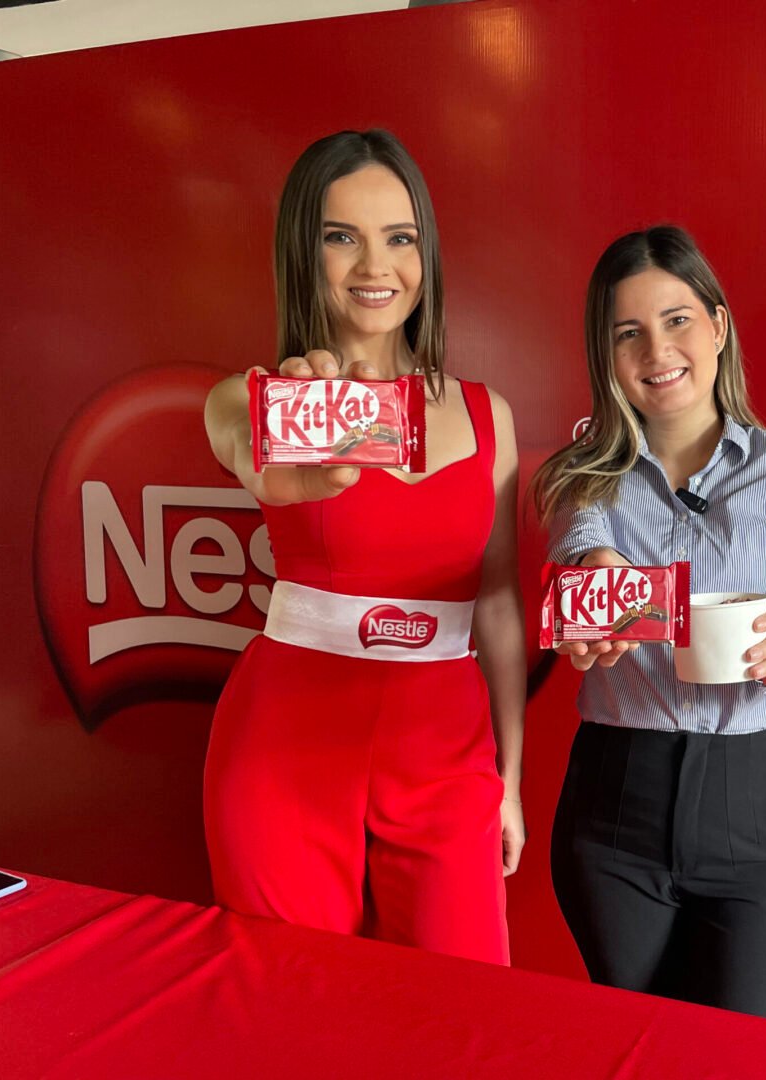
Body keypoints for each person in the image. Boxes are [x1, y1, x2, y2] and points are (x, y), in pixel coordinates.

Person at [202, 129, 524, 964]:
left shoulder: (489, 416)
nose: (376, 266)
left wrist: (510, 782)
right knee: (291, 1005)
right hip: (285, 752)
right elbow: (245, 447)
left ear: (427, 254)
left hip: (448, 754)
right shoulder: (253, 397)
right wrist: (288, 469)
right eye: (341, 236)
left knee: (465, 1012)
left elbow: (497, 603)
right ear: (302, 252)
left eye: (400, 238)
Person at [531, 225, 766, 1021]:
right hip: (615, 800)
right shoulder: (584, 475)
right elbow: (577, 531)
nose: (656, 351)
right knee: (640, 1045)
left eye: (676, 320)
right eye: (627, 332)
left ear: (718, 326)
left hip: (754, 794)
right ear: (606, 354)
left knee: (749, 1056)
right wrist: (593, 568)